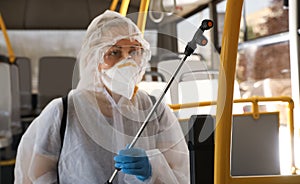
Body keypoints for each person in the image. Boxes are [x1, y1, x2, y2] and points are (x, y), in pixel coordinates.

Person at [14, 10, 190, 184]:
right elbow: (33, 176)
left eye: (134, 51)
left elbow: (180, 174)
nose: (127, 60)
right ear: (93, 57)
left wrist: (154, 170)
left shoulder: (155, 109)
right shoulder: (63, 112)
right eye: (114, 52)